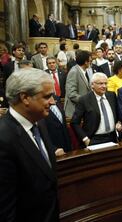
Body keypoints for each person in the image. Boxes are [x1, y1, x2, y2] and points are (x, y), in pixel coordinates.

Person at [0, 68, 59, 221]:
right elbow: (5, 209)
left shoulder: (39, 122)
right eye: (47, 96)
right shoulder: (3, 139)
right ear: (25, 98)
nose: (53, 102)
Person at [71, 73, 122, 147]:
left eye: (105, 83)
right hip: (94, 139)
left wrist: (119, 122)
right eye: (100, 83)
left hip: (112, 138)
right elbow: (74, 122)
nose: (104, 86)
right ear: (92, 85)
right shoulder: (84, 100)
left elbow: (118, 114)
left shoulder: (112, 95)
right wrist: (85, 139)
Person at [64, 50, 93, 118]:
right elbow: (72, 94)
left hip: (82, 110)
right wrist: (87, 101)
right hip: (74, 111)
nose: (91, 62)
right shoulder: (74, 71)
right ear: (86, 62)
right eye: (90, 60)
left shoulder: (85, 71)